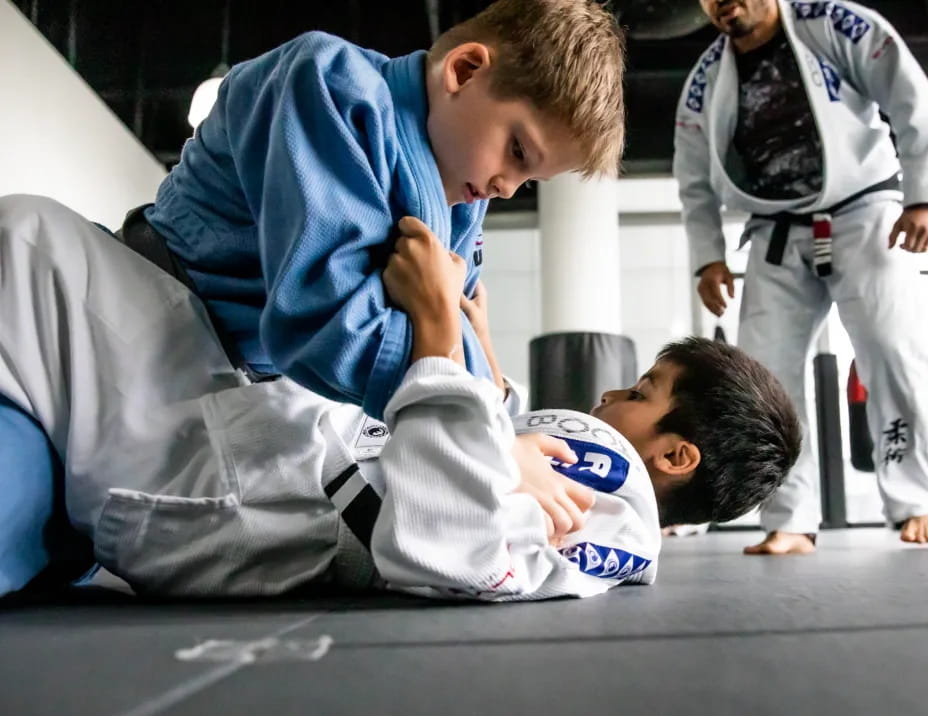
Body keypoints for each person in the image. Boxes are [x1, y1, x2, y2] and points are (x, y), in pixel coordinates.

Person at [0, 0, 625, 596]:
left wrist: (490, 417)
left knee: (59, 526)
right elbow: (327, 324)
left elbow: (451, 342)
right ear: (464, 69)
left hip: (219, 379)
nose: (505, 187)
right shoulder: (331, 84)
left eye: (528, 179)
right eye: (517, 151)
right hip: (129, 312)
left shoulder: (460, 205)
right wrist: (486, 439)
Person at [0, 196, 800, 600]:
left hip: (231, 493)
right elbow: (486, 468)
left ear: (674, 455)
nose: (609, 393)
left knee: (29, 237)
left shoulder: (610, 488)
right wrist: (476, 352)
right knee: (42, 248)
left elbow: (448, 533)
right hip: (260, 469)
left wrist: (436, 328)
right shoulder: (605, 510)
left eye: (640, 391)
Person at [673, 0, 928, 553]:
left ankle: (919, 501)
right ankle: (789, 521)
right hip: (775, 231)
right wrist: (708, 256)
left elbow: (909, 93)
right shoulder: (705, 79)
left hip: (865, 213)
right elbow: (693, 177)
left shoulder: (832, 23)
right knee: (765, 379)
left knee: (893, 351)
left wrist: (921, 193)